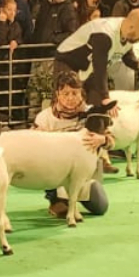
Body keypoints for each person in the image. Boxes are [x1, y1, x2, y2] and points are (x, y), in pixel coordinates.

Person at [34, 71, 113, 219]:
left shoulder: (92, 113)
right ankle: (55, 199)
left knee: (100, 207)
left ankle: (76, 197)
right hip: (56, 172)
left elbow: (112, 141)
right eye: (65, 93)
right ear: (57, 94)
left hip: (85, 172)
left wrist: (102, 140)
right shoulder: (45, 117)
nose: (70, 98)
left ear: (82, 94)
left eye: (75, 93)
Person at [53, 9, 139, 111]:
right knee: (67, 105)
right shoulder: (104, 35)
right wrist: (105, 97)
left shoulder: (128, 32)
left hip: (88, 69)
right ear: (131, 27)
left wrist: (137, 64)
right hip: (68, 61)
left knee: (97, 110)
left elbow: (126, 53)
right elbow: (100, 68)